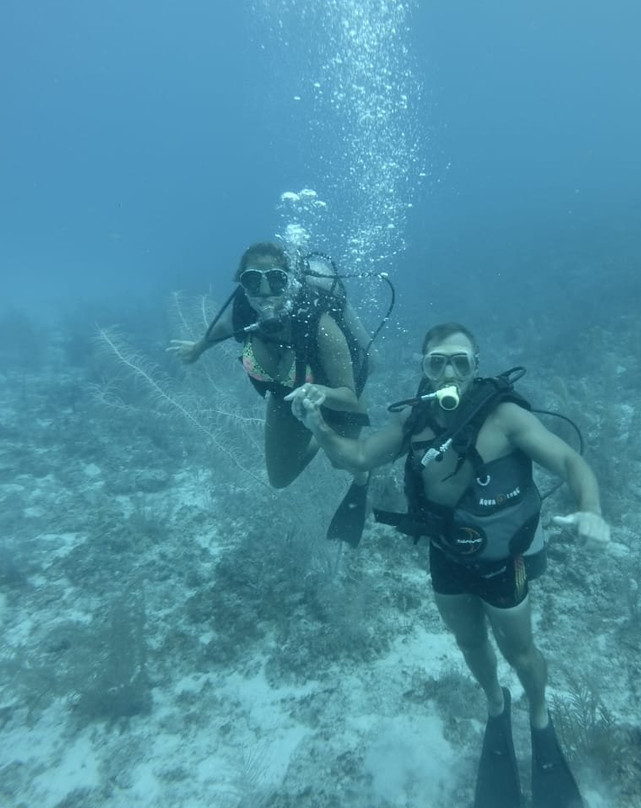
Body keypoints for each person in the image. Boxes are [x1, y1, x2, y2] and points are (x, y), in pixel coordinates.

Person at [285, 322, 610, 808]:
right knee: (469, 641)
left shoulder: (505, 418)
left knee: (520, 651)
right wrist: (317, 424)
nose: (449, 371)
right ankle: (496, 705)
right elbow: (353, 457)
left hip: (505, 561)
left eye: (460, 360)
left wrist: (592, 509)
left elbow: (569, 462)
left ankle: (539, 715)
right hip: (448, 556)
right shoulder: (413, 422)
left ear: (477, 367)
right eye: (437, 362)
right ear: (424, 368)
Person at [169, 241, 372, 544]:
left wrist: (318, 394)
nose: (264, 292)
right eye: (253, 280)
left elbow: (349, 396)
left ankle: (361, 477)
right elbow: (221, 329)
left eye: (276, 280)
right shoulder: (242, 308)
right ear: (243, 283)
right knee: (279, 478)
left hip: (337, 400)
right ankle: (319, 436)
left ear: (290, 282)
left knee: (342, 463)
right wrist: (198, 348)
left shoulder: (320, 323)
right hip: (287, 400)